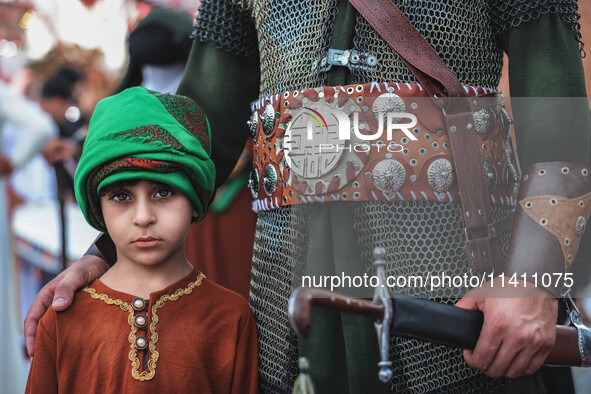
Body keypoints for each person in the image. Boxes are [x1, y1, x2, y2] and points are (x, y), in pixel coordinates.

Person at [25, 1, 591, 393]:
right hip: (291, 321)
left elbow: (562, 132)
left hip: (455, 317)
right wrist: (102, 256)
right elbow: (199, 136)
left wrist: (533, 283)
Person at [25, 87, 258, 393]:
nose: (144, 216)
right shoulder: (62, 319)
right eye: (121, 196)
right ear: (98, 207)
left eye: (164, 192)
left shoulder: (230, 317)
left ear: (194, 198)